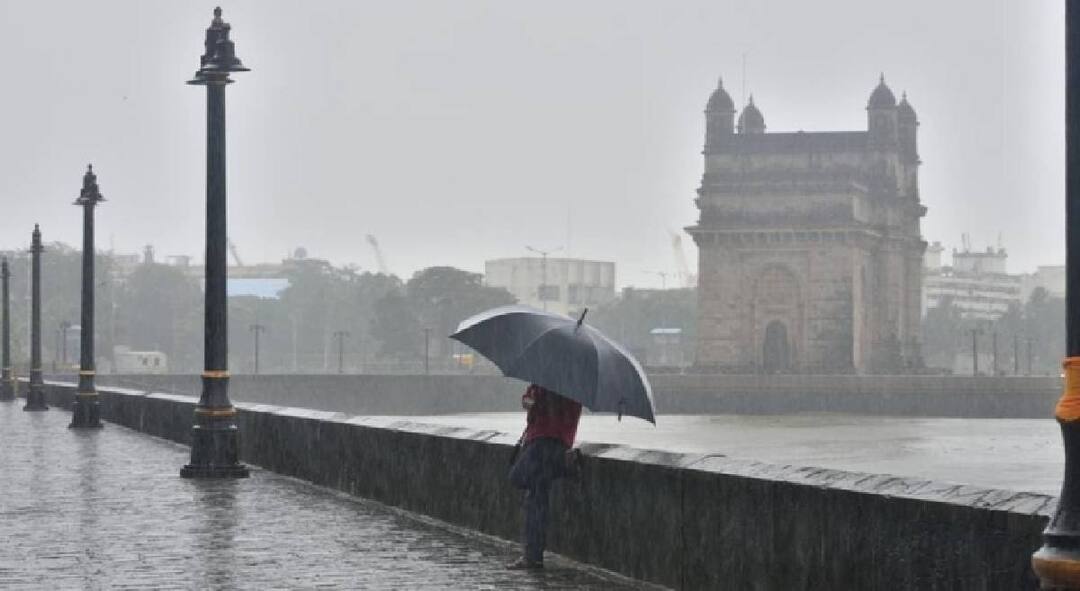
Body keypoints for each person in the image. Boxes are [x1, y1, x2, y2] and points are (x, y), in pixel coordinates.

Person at [506, 383, 583, 570]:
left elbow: (559, 412)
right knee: (537, 499)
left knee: (518, 478)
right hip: (550, 442)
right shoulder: (551, 382)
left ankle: (566, 467)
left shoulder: (561, 385)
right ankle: (533, 556)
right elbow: (528, 399)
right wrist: (529, 401)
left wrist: (539, 402)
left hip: (545, 442)